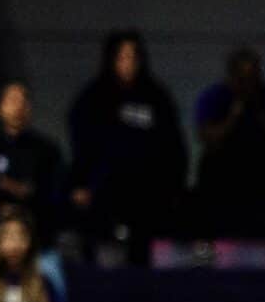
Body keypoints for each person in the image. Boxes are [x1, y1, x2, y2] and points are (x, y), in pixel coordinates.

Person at [65, 32, 186, 260]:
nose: (128, 63)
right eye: (122, 57)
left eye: (133, 57)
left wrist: (172, 189)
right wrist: (81, 183)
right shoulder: (93, 98)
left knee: (142, 260)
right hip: (104, 196)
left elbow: (173, 148)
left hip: (146, 197)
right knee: (105, 259)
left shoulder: (156, 97)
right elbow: (81, 146)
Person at [192, 47, 265, 198]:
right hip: (225, 167)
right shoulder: (214, 97)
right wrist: (232, 118)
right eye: (242, 79)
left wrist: (263, 116)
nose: (248, 85)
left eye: (253, 77)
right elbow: (207, 137)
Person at [0, 81, 66, 234]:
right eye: (12, 100)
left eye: (23, 101)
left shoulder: (47, 150)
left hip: (39, 232)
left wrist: (25, 193)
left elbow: (55, 195)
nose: (18, 106)